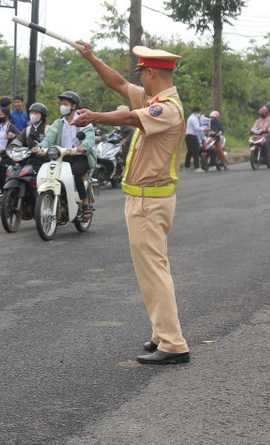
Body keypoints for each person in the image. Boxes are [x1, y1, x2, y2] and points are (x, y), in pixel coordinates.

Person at [71, 42, 190, 365]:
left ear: (150, 72)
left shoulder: (166, 109)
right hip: (144, 201)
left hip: (150, 203)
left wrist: (96, 117)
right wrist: (91, 58)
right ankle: (160, 333)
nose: (138, 78)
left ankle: (173, 343)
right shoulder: (154, 99)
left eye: (142, 73)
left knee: (154, 271)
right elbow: (119, 85)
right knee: (151, 270)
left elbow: (128, 117)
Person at [33, 90, 96, 220]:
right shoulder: (58, 123)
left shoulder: (84, 121)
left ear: (73, 106)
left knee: (76, 173)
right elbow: (48, 140)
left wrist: (84, 147)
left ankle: (85, 203)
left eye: (65, 103)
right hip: (62, 157)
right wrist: (39, 147)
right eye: (61, 103)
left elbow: (89, 138)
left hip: (80, 157)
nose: (62, 105)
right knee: (50, 174)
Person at [0, 106, 20, 191]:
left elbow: (20, 136)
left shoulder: (11, 127)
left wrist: (13, 135)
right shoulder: (0, 127)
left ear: (7, 116)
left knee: (5, 179)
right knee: (0, 179)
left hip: (7, 158)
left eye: (1, 115)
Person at [184, 106, 203, 172]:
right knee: (195, 152)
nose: (199, 113)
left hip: (188, 136)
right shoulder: (193, 118)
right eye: (199, 112)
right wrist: (204, 129)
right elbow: (196, 127)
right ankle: (197, 167)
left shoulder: (191, 117)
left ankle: (186, 167)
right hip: (192, 136)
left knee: (190, 152)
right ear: (196, 112)